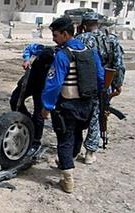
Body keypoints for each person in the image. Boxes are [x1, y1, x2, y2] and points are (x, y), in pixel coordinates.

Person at [40, 17, 104, 193]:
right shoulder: (91, 52)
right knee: (77, 134)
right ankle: (69, 160)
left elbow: (54, 84)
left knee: (65, 139)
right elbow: (100, 77)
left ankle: (67, 179)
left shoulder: (62, 55)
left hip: (66, 107)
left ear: (65, 34)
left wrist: (47, 106)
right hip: (87, 105)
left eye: (55, 35)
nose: (53, 38)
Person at [76, 12, 125, 164]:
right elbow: (118, 64)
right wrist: (117, 84)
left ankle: (73, 149)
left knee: (79, 116)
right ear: (97, 24)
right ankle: (90, 152)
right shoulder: (111, 39)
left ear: (84, 25)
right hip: (104, 83)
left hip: (82, 83)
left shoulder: (79, 39)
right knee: (98, 116)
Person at [9, 44, 55, 153]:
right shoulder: (40, 48)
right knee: (15, 101)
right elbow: (29, 48)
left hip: (44, 87)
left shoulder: (58, 58)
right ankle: (26, 121)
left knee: (39, 114)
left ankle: (36, 141)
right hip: (30, 80)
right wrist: (26, 59)